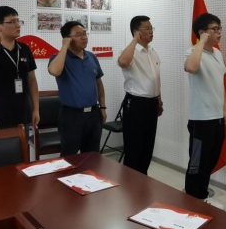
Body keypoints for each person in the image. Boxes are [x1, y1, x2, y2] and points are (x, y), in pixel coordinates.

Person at [184, 13, 226, 209]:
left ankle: (201, 194)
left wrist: (224, 110)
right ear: (203, 32)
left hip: (217, 117)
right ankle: (193, 199)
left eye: (219, 28)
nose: (219, 32)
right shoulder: (193, 52)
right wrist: (201, 43)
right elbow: (190, 67)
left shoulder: (218, 54)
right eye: (214, 29)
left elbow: (220, 84)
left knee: (210, 160)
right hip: (201, 119)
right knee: (197, 163)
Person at [48, 21, 107, 156]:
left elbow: (99, 83)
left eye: (85, 33)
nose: (84, 37)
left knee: (92, 156)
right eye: (78, 34)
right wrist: (64, 47)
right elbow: (55, 71)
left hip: (93, 114)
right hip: (71, 116)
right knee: (69, 156)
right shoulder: (58, 58)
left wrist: (103, 108)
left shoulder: (91, 57)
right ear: (67, 39)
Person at [118, 16, 163, 175]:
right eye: (147, 28)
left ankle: (142, 179)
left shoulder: (152, 52)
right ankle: (130, 183)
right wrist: (134, 41)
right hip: (136, 105)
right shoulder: (130, 52)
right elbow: (123, 62)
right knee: (134, 148)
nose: (151, 31)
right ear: (137, 32)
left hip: (152, 104)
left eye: (152, 28)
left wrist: (159, 100)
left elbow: (155, 79)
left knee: (147, 147)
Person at [0, 6, 39, 133]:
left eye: (18, 21)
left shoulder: (24, 48)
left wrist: (36, 109)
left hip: (23, 112)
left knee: (24, 144)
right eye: (12, 22)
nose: (17, 25)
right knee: (1, 145)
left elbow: (32, 80)